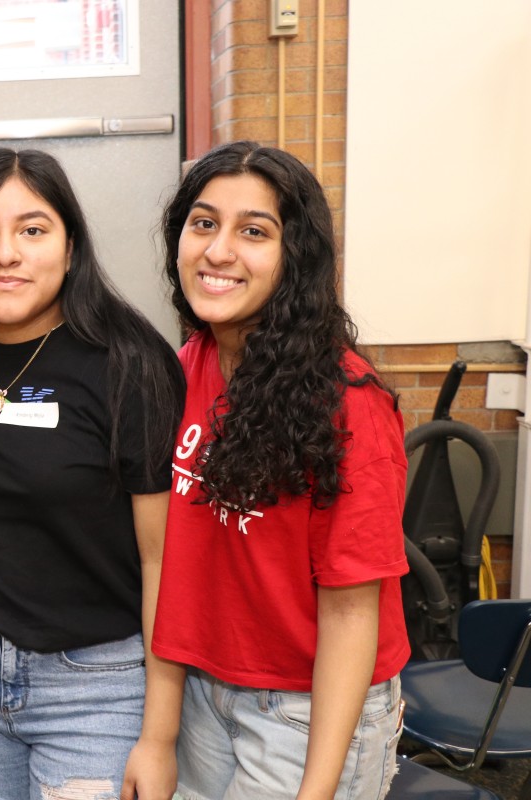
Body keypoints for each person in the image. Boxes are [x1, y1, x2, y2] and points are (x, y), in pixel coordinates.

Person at [0, 147, 186, 800]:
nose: (5, 253)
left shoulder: (129, 366)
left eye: (32, 230)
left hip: (96, 685)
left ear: (70, 245)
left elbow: (163, 561)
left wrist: (160, 734)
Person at [153, 141, 409, 799]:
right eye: (204, 223)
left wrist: (317, 791)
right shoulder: (190, 365)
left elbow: (354, 614)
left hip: (306, 709)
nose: (217, 251)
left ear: (295, 257)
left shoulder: (349, 403)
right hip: (206, 688)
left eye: (254, 231)